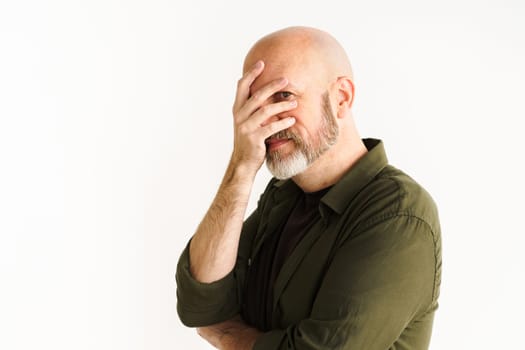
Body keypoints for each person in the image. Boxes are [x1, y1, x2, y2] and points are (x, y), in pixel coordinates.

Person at [175, 26, 442, 350]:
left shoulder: (398, 214)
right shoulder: (283, 196)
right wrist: (241, 166)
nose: (265, 119)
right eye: (254, 102)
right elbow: (200, 303)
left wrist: (231, 338)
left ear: (342, 98)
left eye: (284, 96)